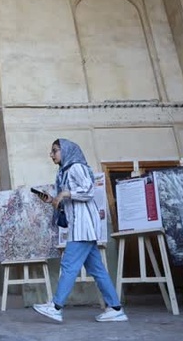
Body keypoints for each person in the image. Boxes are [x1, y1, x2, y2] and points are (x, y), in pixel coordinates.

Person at [33, 138, 128, 323]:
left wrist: (64, 193)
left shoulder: (76, 166)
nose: (51, 155)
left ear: (66, 150)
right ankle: (116, 308)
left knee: (69, 265)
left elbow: (88, 190)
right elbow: (69, 200)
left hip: (83, 226)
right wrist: (53, 200)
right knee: (97, 269)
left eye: (55, 150)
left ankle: (56, 306)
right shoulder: (64, 172)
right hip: (80, 226)